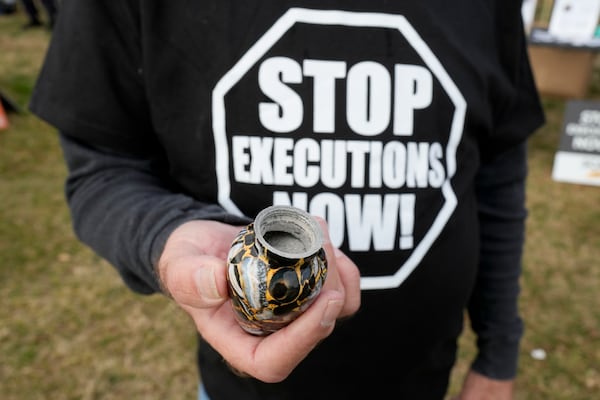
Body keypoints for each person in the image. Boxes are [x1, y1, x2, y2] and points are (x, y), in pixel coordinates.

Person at [29, 1, 545, 399]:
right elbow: (103, 165)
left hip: (424, 376)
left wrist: (498, 355)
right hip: (243, 390)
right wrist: (165, 236)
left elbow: (494, 176)